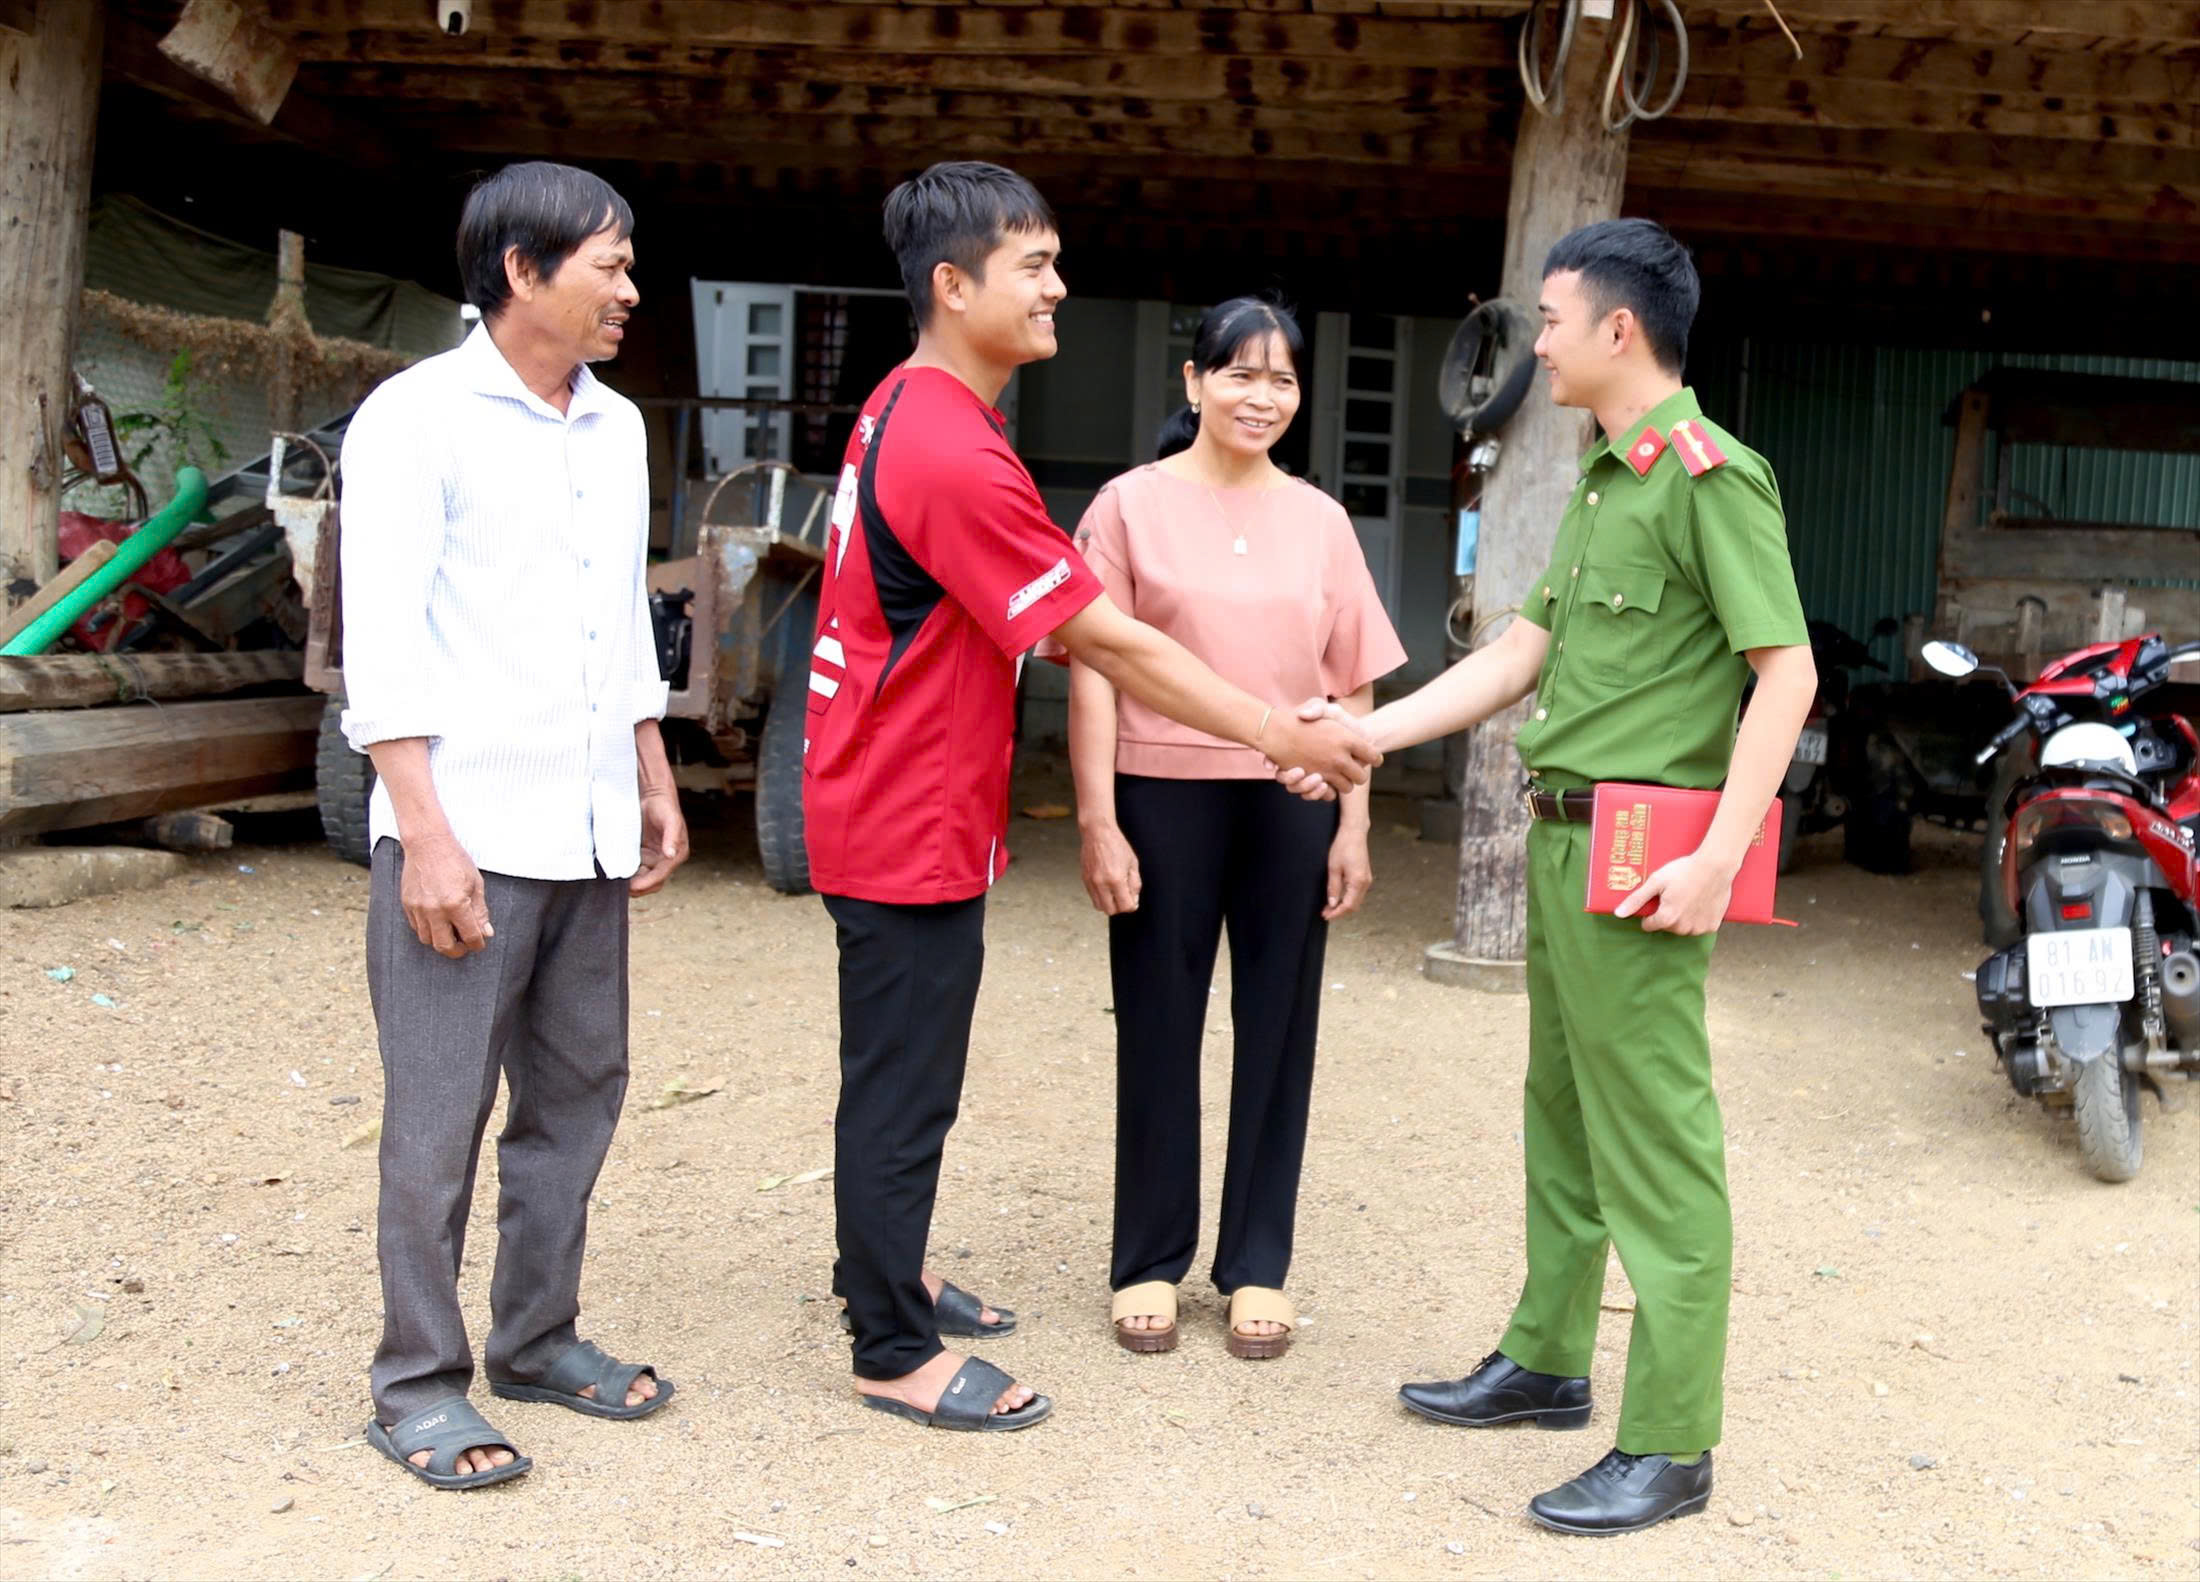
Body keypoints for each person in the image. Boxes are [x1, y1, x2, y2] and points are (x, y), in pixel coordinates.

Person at [802, 161, 1379, 1434]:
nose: (1060, 285)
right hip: (905, 809)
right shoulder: (956, 446)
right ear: (953, 287)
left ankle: (888, 1267)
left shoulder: (920, 410)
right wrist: (1273, 724)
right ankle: (890, 1343)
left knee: (905, 1067)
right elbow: (1106, 642)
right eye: (1033, 265)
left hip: (909, 793)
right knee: (904, 1081)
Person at [1301, 219, 1813, 1533]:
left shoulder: (1708, 477)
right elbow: (1518, 653)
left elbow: (1787, 674)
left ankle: (1672, 1440)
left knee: (1659, 1144)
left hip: (1646, 855)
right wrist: (1373, 727)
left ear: (1619, 332)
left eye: (1553, 318)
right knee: (1564, 1116)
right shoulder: (1606, 480)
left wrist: (1716, 855)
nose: (1541, 341)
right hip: (1563, 834)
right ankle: (1546, 1357)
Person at [339, 161, 687, 1491]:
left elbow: (624, 625)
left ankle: (538, 1337)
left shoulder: (619, 429)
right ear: (522, 271)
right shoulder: (414, 419)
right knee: (439, 1118)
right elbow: (380, 649)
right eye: (608, 264)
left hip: (589, 826)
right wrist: (424, 831)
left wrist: (650, 768)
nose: (628, 291)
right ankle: (417, 1384)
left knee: (578, 1099)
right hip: (467, 833)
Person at [1066, 297, 1406, 1361]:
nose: (1261, 396)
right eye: (1239, 374)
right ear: (1193, 382)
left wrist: (1355, 822)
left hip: (1294, 802)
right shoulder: (1125, 507)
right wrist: (1096, 819)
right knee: (1158, 1022)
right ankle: (1148, 1261)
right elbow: (1094, 670)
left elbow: (1350, 686)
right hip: (1160, 792)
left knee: (1279, 1028)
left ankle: (1258, 1258)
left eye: (1282, 380)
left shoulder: (1320, 520)